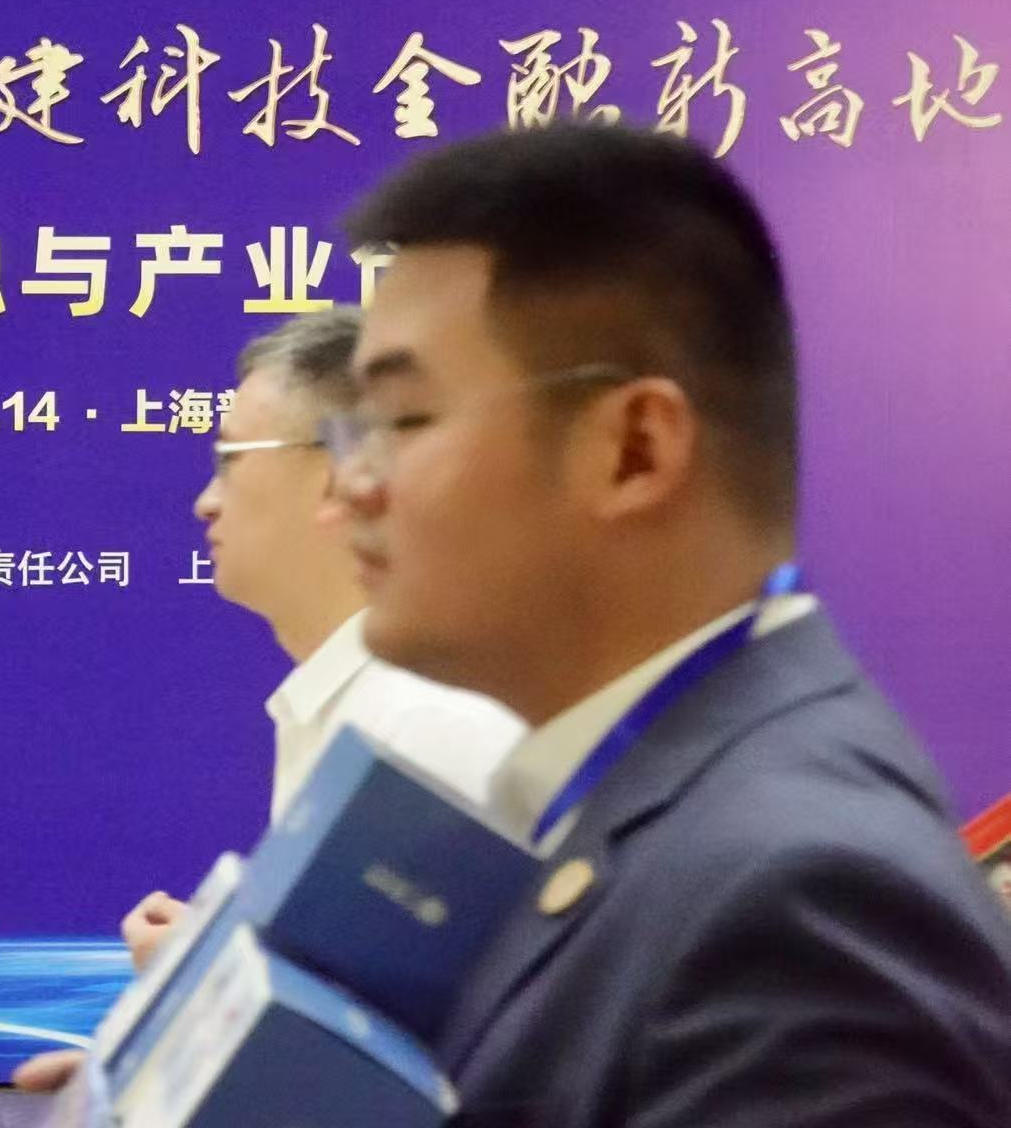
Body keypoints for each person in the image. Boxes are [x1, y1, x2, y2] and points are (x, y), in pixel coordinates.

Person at [322, 123, 1011, 1125]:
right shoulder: (663, 807)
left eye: (406, 419)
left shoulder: (796, 897)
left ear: (633, 450)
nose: (351, 484)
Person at [14, 310, 524, 1094]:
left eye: (230, 461)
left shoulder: (431, 725)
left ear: (343, 473)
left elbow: (449, 1076)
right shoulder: (355, 708)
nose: (204, 502)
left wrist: (207, 989)